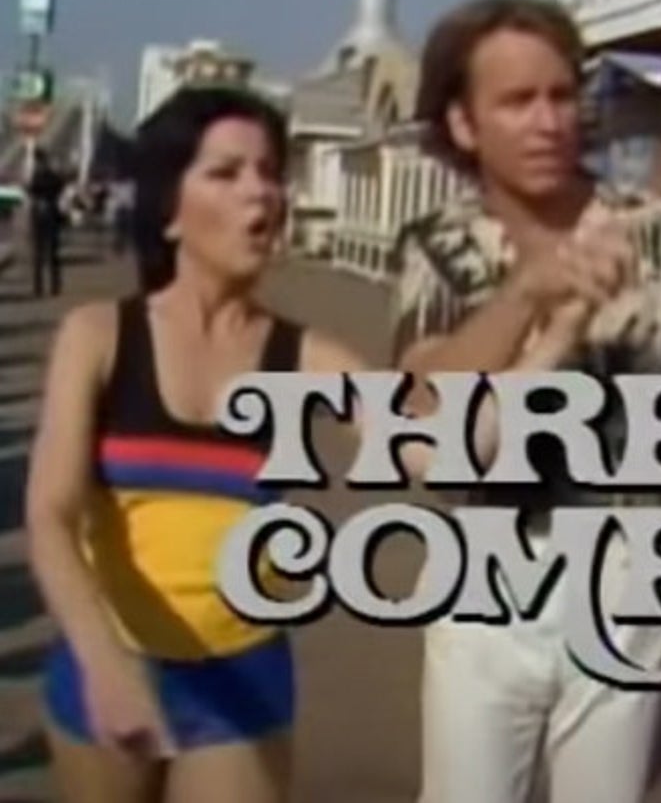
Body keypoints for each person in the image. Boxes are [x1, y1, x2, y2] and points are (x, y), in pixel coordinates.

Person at [390, 0, 661, 803]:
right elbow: (423, 406)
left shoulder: (658, 233)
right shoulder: (440, 243)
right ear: (464, 123)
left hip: (627, 572)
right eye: (517, 101)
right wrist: (524, 294)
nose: (548, 122)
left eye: (562, 95)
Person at [24, 86, 437, 803]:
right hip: (107, 665)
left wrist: (546, 321)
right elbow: (49, 515)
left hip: (242, 682)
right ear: (169, 211)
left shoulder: (305, 357)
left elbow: (431, 451)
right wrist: (103, 662)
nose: (261, 191)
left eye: (270, 171)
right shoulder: (98, 337)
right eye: (226, 172)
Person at [26, 147, 67, 297]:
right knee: (50, 254)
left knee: (42, 254)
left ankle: (40, 287)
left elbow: (31, 191)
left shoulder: (37, 177)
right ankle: (51, 286)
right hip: (50, 215)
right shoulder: (51, 176)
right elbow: (60, 187)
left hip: (41, 216)